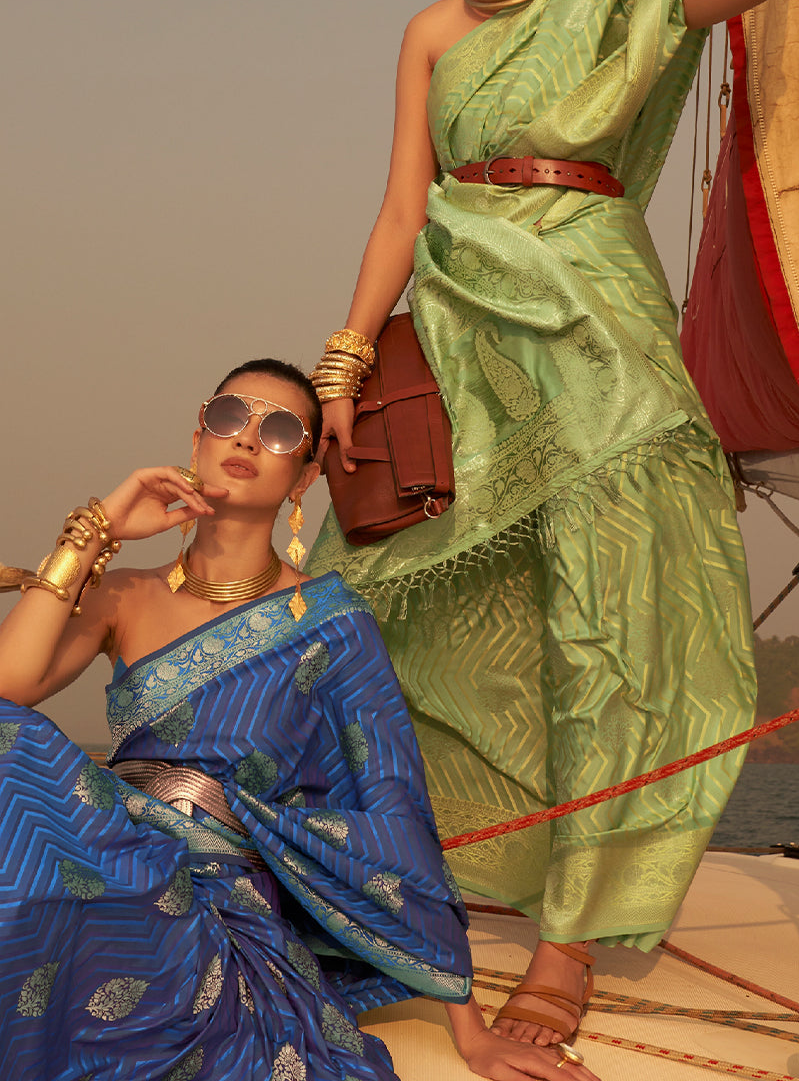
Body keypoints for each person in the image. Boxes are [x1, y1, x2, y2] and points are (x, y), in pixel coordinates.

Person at [307, 0, 799, 1051]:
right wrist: (341, 360)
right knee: (368, 596)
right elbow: (399, 207)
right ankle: (400, 876)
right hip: (460, 322)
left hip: (597, 324)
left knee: (611, 620)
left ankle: (568, 942)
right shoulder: (434, 32)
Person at [0, 359, 598, 1081]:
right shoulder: (124, 594)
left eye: (279, 430)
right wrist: (94, 532)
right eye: (229, 416)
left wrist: (470, 1033)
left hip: (209, 903)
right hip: (113, 857)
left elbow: (393, 810)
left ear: (305, 477)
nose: (247, 438)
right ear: (197, 438)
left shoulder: (332, 624)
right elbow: (10, 688)